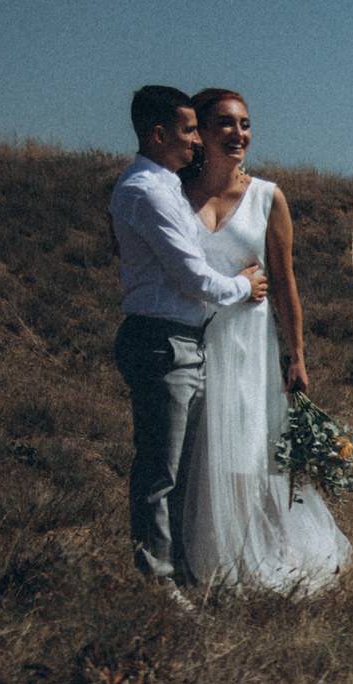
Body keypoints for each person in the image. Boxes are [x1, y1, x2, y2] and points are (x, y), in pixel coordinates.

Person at [176, 87, 349, 592]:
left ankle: (253, 558)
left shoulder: (267, 196)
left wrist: (296, 355)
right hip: (190, 336)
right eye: (226, 124)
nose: (239, 134)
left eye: (245, 124)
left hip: (247, 346)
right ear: (199, 131)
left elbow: (285, 279)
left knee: (246, 457)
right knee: (193, 456)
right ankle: (195, 561)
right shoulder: (172, 194)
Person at [108, 85, 267, 600]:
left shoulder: (167, 185)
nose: (199, 139)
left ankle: (176, 574)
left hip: (183, 342)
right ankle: (156, 587)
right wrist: (245, 287)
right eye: (189, 130)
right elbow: (194, 279)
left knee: (179, 471)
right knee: (159, 473)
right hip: (162, 342)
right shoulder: (147, 192)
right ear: (158, 134)